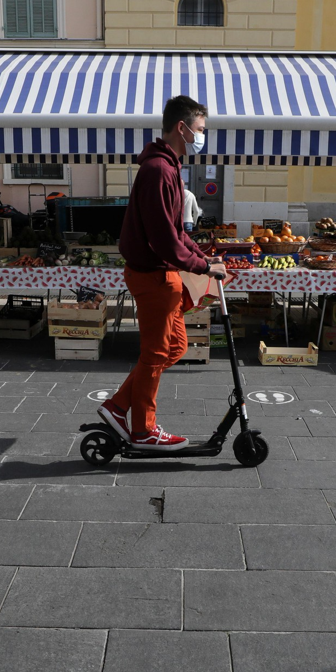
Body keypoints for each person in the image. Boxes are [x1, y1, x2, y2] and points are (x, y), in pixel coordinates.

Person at [98, 94, 225, 451]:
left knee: (175, 347)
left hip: (163, 273)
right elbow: (164, 239)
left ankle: (117, 406)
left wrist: (205, 258)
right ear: (181, 128)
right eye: (200, 130)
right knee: (155, 353)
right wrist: (201, 266)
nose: (202, 137)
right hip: (153, 274)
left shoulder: (169, 167)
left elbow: (177, 231)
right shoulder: (158, 170)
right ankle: (143, 430)